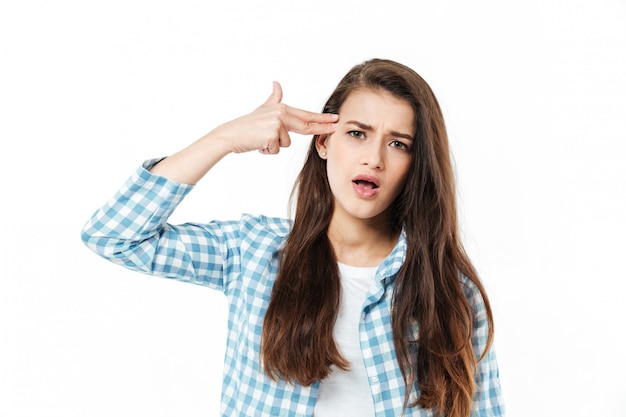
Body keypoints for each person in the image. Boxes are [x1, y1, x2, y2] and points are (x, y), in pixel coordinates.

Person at [81, 58, 505, 417]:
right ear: (323, 141)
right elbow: (114, 236)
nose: (373, 158)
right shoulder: (254, 251)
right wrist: (225, 138)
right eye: (357, 133)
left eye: (398, 143)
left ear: (417, 163)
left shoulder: (449, 290)